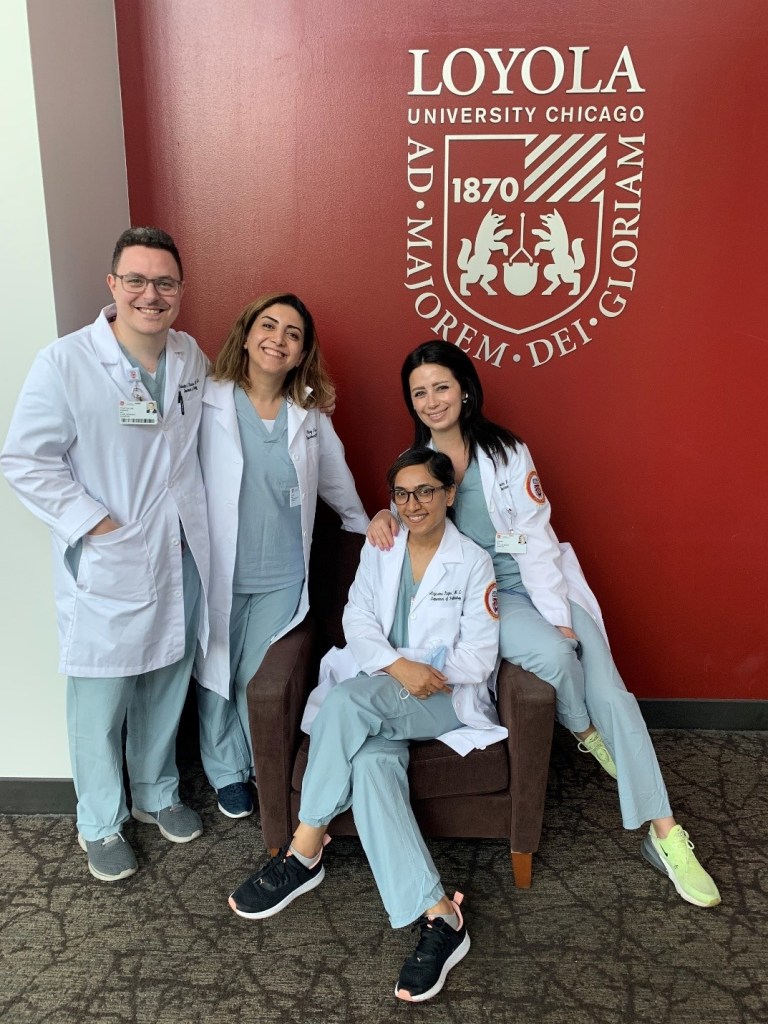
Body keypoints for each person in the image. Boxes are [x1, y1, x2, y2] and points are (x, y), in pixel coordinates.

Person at [367, 340, 720, 909]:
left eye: (441, 387)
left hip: (540, 581)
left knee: (611, 687)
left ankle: (666, 833)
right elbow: (411, 514)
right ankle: (584, 732)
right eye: (419, 393)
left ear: (464, 389)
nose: (432, 401)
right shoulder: (419, 461)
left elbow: (534, 537)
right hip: (484, 599)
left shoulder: (507, 450)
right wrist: (384, 514)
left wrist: (559, 615)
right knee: (557, 658)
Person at [228, 448, 503, 1002]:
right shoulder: (383, 546)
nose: (413, 504)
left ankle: (304, 848)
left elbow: (478, 657)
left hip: (444, 698)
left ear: (449, 494)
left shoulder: (473, 561)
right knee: (374, 764)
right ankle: (440, 915)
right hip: (387, 686)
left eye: (425, 491)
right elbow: (357, 618)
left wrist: (418, 672)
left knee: (347, 705)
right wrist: (397, 666)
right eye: (402, 494)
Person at [1, 227, 210, 883]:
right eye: (137, 280)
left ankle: (156, 792)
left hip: (180, 551)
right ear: (113, 284)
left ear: (180, 290)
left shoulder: (190, 357)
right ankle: (98, 821)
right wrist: (96, 524)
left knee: (167, 679)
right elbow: (23, 459)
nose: (152, 294)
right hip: (112, 556)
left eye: (165, 282)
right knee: (100, 701)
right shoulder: (65, 363)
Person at [194, 293, 369, 818]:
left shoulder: (308, 413)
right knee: (214, 674)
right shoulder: (208, 400)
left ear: (302, 353)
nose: (278, 339)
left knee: (254, 677)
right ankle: (226, 772)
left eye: (293, 334)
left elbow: (336, 478)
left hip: (283, 575)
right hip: (218, 569)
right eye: (268, 326)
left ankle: (258, 765)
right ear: (246, 336)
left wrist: (365, 528)